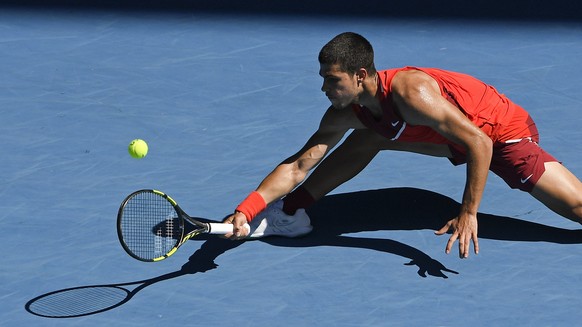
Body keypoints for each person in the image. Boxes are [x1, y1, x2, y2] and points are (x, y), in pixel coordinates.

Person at [223, 32, 582, 258]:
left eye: (332, 81)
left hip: (499, 133)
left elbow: (479, 141)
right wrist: (248, 208)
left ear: (360, 75)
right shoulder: (347, 111)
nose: (324, 89)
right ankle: (293, 212)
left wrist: (469, 212)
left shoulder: (412, 94)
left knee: (577, 209)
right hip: (450, 138)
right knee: (368, 136)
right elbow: (299, 165)